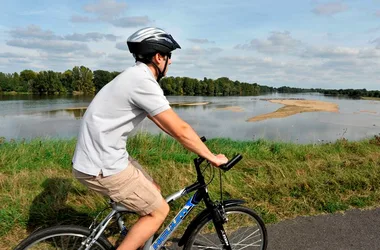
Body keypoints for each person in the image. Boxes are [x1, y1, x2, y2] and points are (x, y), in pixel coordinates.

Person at [72, 27, 228, 250]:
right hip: (102, 165)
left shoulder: (133, 77)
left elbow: (164, 123)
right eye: (169, 57)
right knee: (160, 210)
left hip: (100, 158)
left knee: (154, 189)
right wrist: (212, 157)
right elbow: (180, 129)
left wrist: (191, 143)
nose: (170, 63)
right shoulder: (143, 82)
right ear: (158, 57)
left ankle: (143, 241)